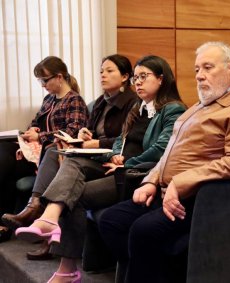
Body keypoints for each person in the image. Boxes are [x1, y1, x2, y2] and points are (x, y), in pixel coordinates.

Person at [97, 41, 230, 283]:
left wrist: (180, 183)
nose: (200, 76)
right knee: (111, 221)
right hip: (166, 191)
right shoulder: (199, 107)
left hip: (202, 199)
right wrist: (151, 180)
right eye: (197, 69)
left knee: (143, 231)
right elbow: (170, 152)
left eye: (208, 68)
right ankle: (151, 273)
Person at [15, 54, 186, 283]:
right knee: (72, 160)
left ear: (161, 79)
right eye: (136, 77)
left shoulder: (172, 109)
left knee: (71, 194)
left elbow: (161, 149)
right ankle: (49, 219)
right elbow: (120, 141)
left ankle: (66, 267)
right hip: (118, 167)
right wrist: (115, 155)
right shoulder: (139, 107)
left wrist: (126, 162)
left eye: (143, 76)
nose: (138, 82)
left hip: (139, 175)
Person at [2, 54, 137, 258]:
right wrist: (86, 135)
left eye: (109, 71)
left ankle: (37, 212)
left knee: (57, 157)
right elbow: (85, 130)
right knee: (43, 153)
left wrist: (94, 142)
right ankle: (36, 210)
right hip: (88, 154)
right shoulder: (101, 102)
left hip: (108, 158)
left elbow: (125, 140)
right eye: (101, 71)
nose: (102, 75)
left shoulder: (131, 104)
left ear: (126, 76)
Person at [0, 56, 89, 242]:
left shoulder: (74, 100)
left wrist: (40, 137)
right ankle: (5, 222)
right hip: (36, 152)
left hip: (50, 154)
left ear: (59, 77)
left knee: (6, 162)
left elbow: (72, 132)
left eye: (44, 80)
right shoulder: (49, 99)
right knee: (4, 153)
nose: (42, 85)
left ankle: (27, 212)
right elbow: (36, 122)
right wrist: (32, 129)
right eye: (40, 80)